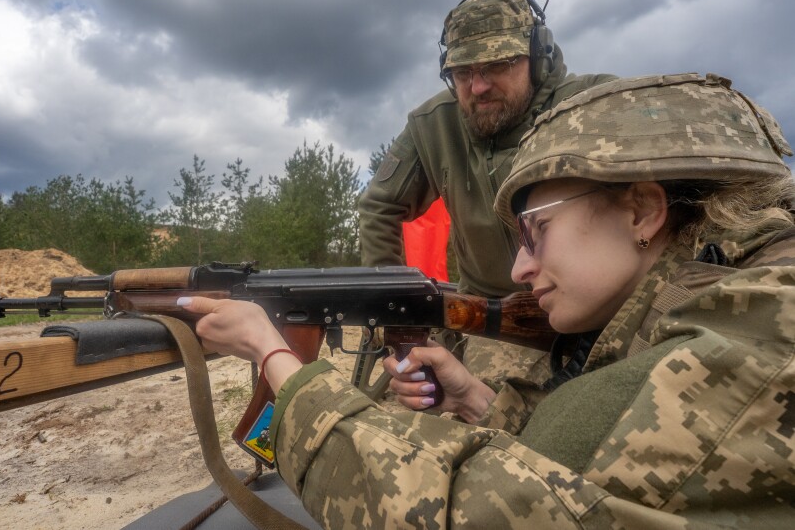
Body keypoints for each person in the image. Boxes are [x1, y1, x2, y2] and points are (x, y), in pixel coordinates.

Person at [182, 73, 795, 528]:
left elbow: (465, 515)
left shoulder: (762, 331)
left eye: (537, 231)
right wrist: (479, 401)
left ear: (642, 209)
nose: (518, 268)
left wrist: (273, 358)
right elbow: (585, 480)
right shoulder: (720, 302)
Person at [358, 0, 615, 384]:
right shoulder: (433, 124)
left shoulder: (591, 105)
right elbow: (378, 205)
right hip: (491, 315)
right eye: (462, 73)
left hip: (591, 308)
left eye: (497, 65)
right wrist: (395, 306)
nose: (478, 86)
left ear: (537, 56)